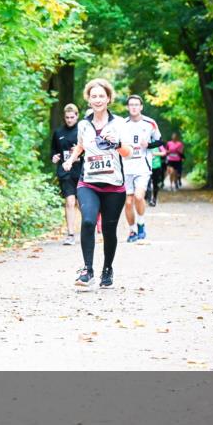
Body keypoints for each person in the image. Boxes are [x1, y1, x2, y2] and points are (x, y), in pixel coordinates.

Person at [62, 79, 132, 290]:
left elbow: (127, 152)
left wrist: (116, 144)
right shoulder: (84, 124)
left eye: (102, 96)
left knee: (109, 230)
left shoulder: (119, 123)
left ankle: (107, 269)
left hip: (114, 186)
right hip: (89, 183)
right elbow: (81, 145)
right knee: (89, 222)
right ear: (88, 99)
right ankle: (87, 270)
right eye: (94, 96)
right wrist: (71, 159)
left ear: (108, 99)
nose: (98, 99)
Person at [121, 95, 162, 243]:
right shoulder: (122, 124)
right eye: (131, 105)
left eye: (136, 105)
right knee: (127, 202)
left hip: (142, 167)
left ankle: (141, 224)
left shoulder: (150, 123)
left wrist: (148, 145)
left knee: (139, 196)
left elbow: (159, 140)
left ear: (141, 107)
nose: (133, 107)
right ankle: (132, 231)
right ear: (127, 107)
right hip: (125, 168)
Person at [50, 103, 82, 245]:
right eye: (67, 117)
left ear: (77, 116)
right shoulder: (58, 133)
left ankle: (88, 230)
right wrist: (54, 157)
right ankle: (70, 234)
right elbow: (53, 151)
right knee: (69, 202)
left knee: (83, 204)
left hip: (82, 171)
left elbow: (92, 150)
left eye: (72, 117)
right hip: (65, 172)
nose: (69, 120)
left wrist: (81, 151)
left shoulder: (82, 131)